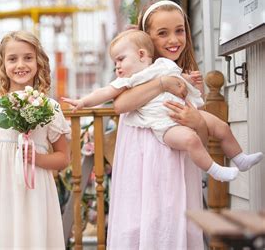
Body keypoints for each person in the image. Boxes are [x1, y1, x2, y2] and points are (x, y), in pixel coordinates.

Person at [64, 29, 262, 182]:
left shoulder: (163, 66)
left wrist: (190, 79)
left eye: (120, 59)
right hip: (165, 125)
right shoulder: (129, 81)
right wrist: (82, 102)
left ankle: (240, 158)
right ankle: (215, 170)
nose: (117, 66)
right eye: (115, 61)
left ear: (142, 55)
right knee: (191, 140)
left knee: (222, 126)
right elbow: (105, 93)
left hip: (186, 110)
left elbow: (178, 77)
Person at [0, 30, 71, 249]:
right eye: (12, 59)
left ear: (39, 62)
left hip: (35, 194)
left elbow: (64, 158)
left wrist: (37, 158)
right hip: (0, 196)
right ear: (3, 64)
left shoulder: (49, 107)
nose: (20, 65)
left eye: (28, 57)